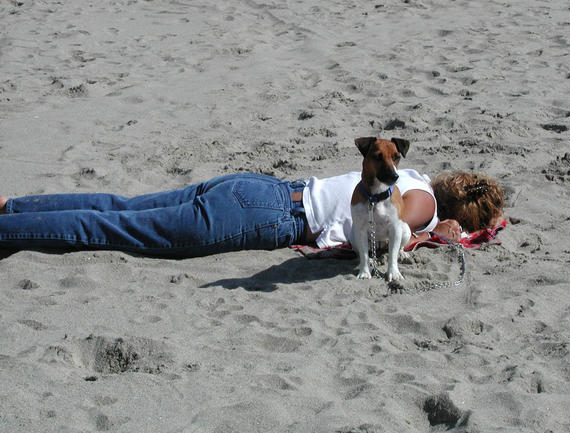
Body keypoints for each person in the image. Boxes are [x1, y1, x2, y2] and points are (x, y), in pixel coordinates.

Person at [0, 170, 504, 258]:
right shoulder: (425, 205)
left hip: (262, 187)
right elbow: (382, 223)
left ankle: (13, 208)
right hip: (270, 214)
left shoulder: (413, 174)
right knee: (122, 228)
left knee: (125, 207)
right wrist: (432, 234)